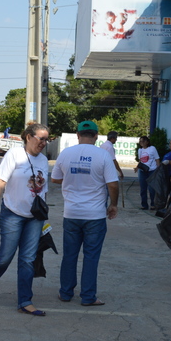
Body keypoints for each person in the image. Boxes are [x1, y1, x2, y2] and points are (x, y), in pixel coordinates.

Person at [0, 123, 50, 316]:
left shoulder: (44, 160)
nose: (44, 143)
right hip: (13, 213)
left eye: (47, 139)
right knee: (5, 256)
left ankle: (25, 301)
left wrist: (45, 218)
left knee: (28, 259)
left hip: (35, 217)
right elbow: (0, 181)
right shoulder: (14, 155)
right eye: (41, 138)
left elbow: (43, 189)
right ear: (29, 137)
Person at [52, 121, 119, 306]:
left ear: (77, 134)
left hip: (71, 213)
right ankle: (88, 297)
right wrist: (113, 204)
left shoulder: (66, 154)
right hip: (95, 215)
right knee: (91, 257)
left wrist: (73, 179)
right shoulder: (103, 155)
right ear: (96, 135)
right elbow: (112, 184)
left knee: (69, 255)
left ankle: (65, 293)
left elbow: (55, 178)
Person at [134, 135, 159, 209]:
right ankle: (144, 204)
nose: (141, 142)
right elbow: (141, 160)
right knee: (143, 188)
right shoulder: (140, 150)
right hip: (143, 170)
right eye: (140, 141)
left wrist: (159, 169)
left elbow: (157, 159)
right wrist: (137, 167)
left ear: (147, 142)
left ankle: (153, 204)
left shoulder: (152, 149)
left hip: (152, 170)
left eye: (143, 141)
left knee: (151, 188)